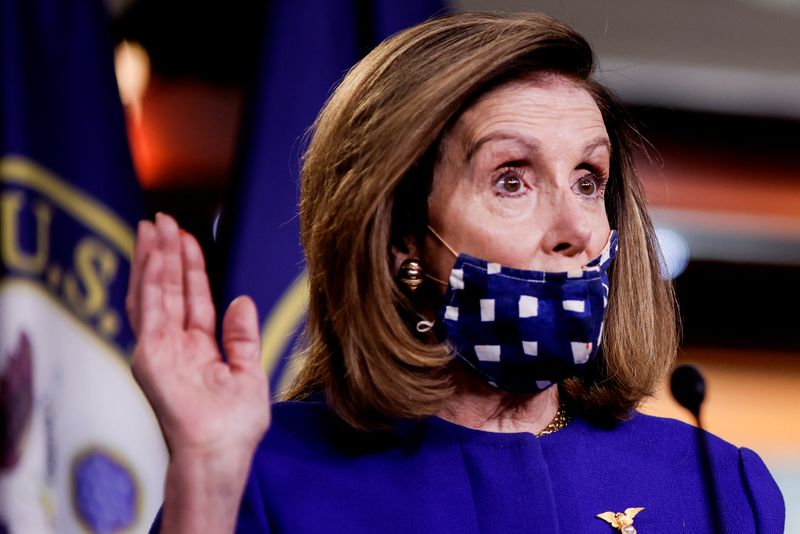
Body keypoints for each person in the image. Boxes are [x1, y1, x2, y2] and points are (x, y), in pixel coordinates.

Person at [126, 12, 785, 533]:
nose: (576, 229)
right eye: (511, 179)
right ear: (401, 236)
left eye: (589, 180)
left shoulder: (718, 486)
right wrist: (208, 482)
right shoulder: (263, 478)